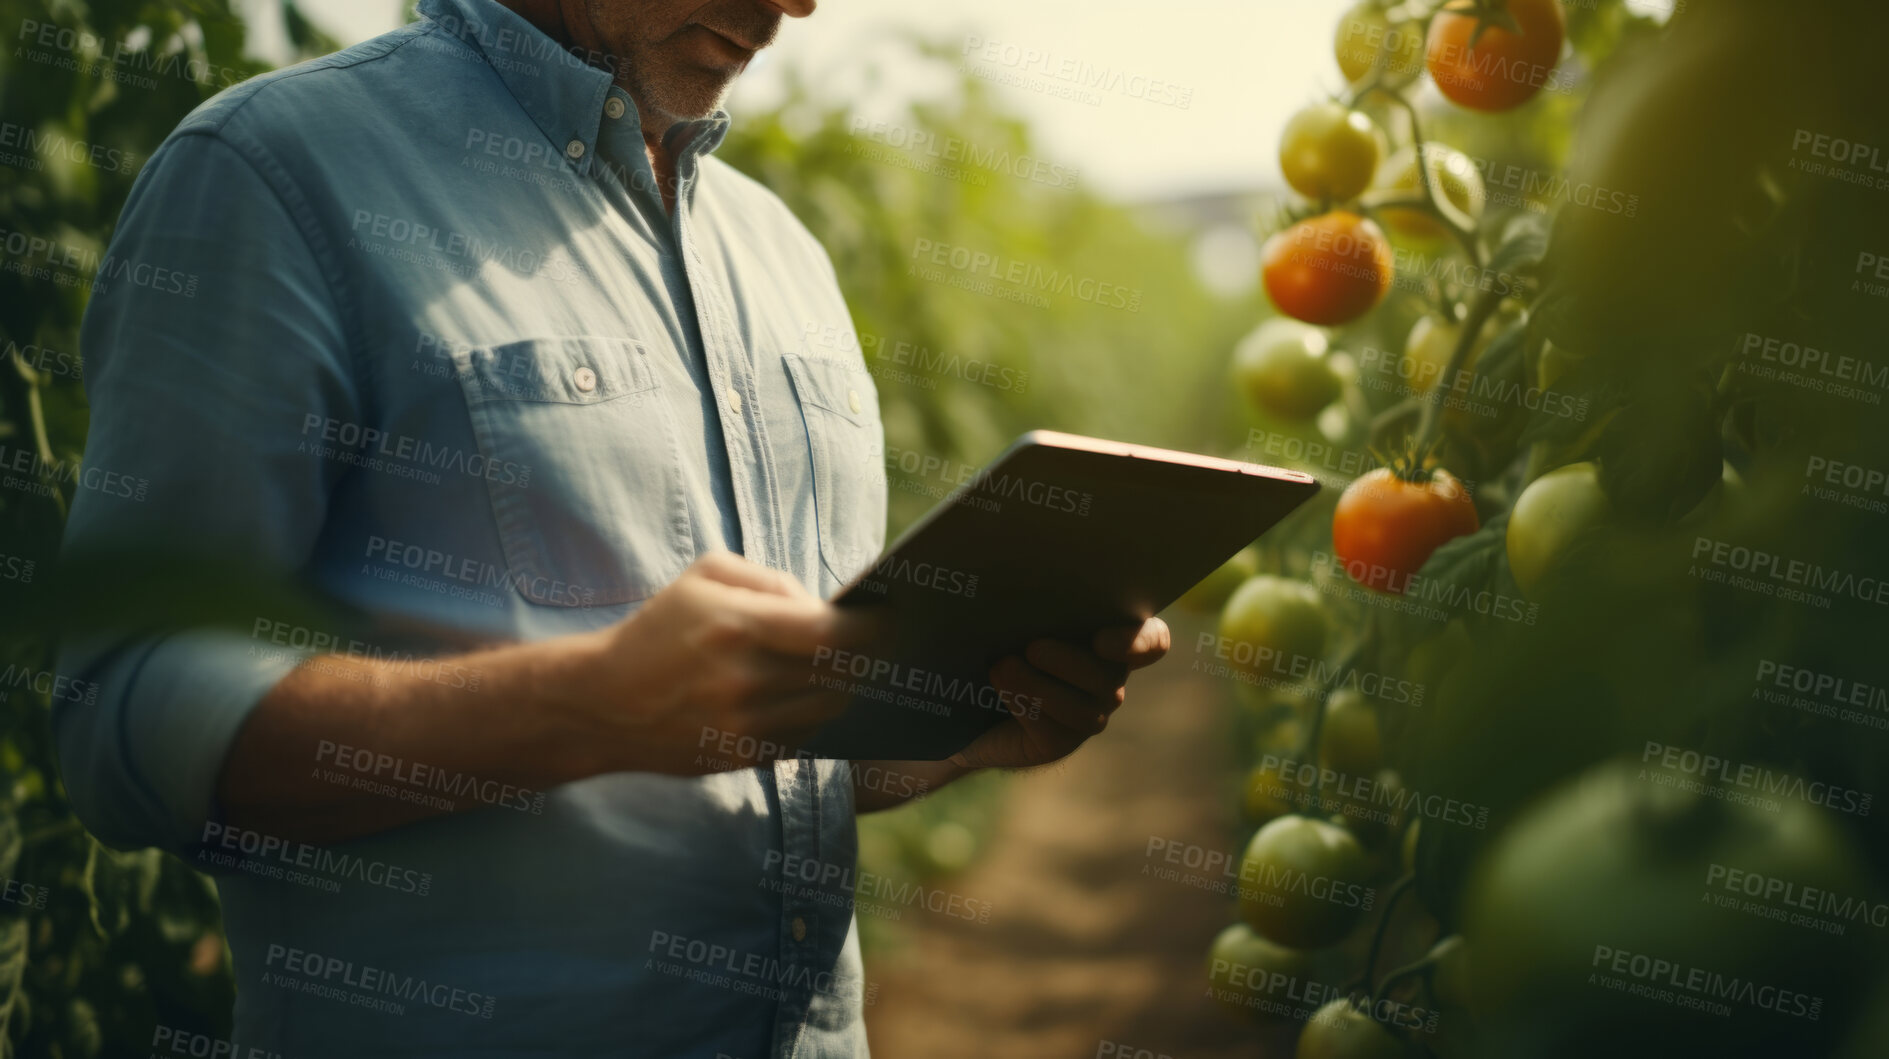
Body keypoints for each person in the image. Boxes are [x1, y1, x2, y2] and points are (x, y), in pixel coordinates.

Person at [54, 0, 1169, 1054]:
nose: (798, 4)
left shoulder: (781, 259)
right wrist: (588, 707)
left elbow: (766, 757)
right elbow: (128, 718)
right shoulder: (275, 172)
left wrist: (955, 729)